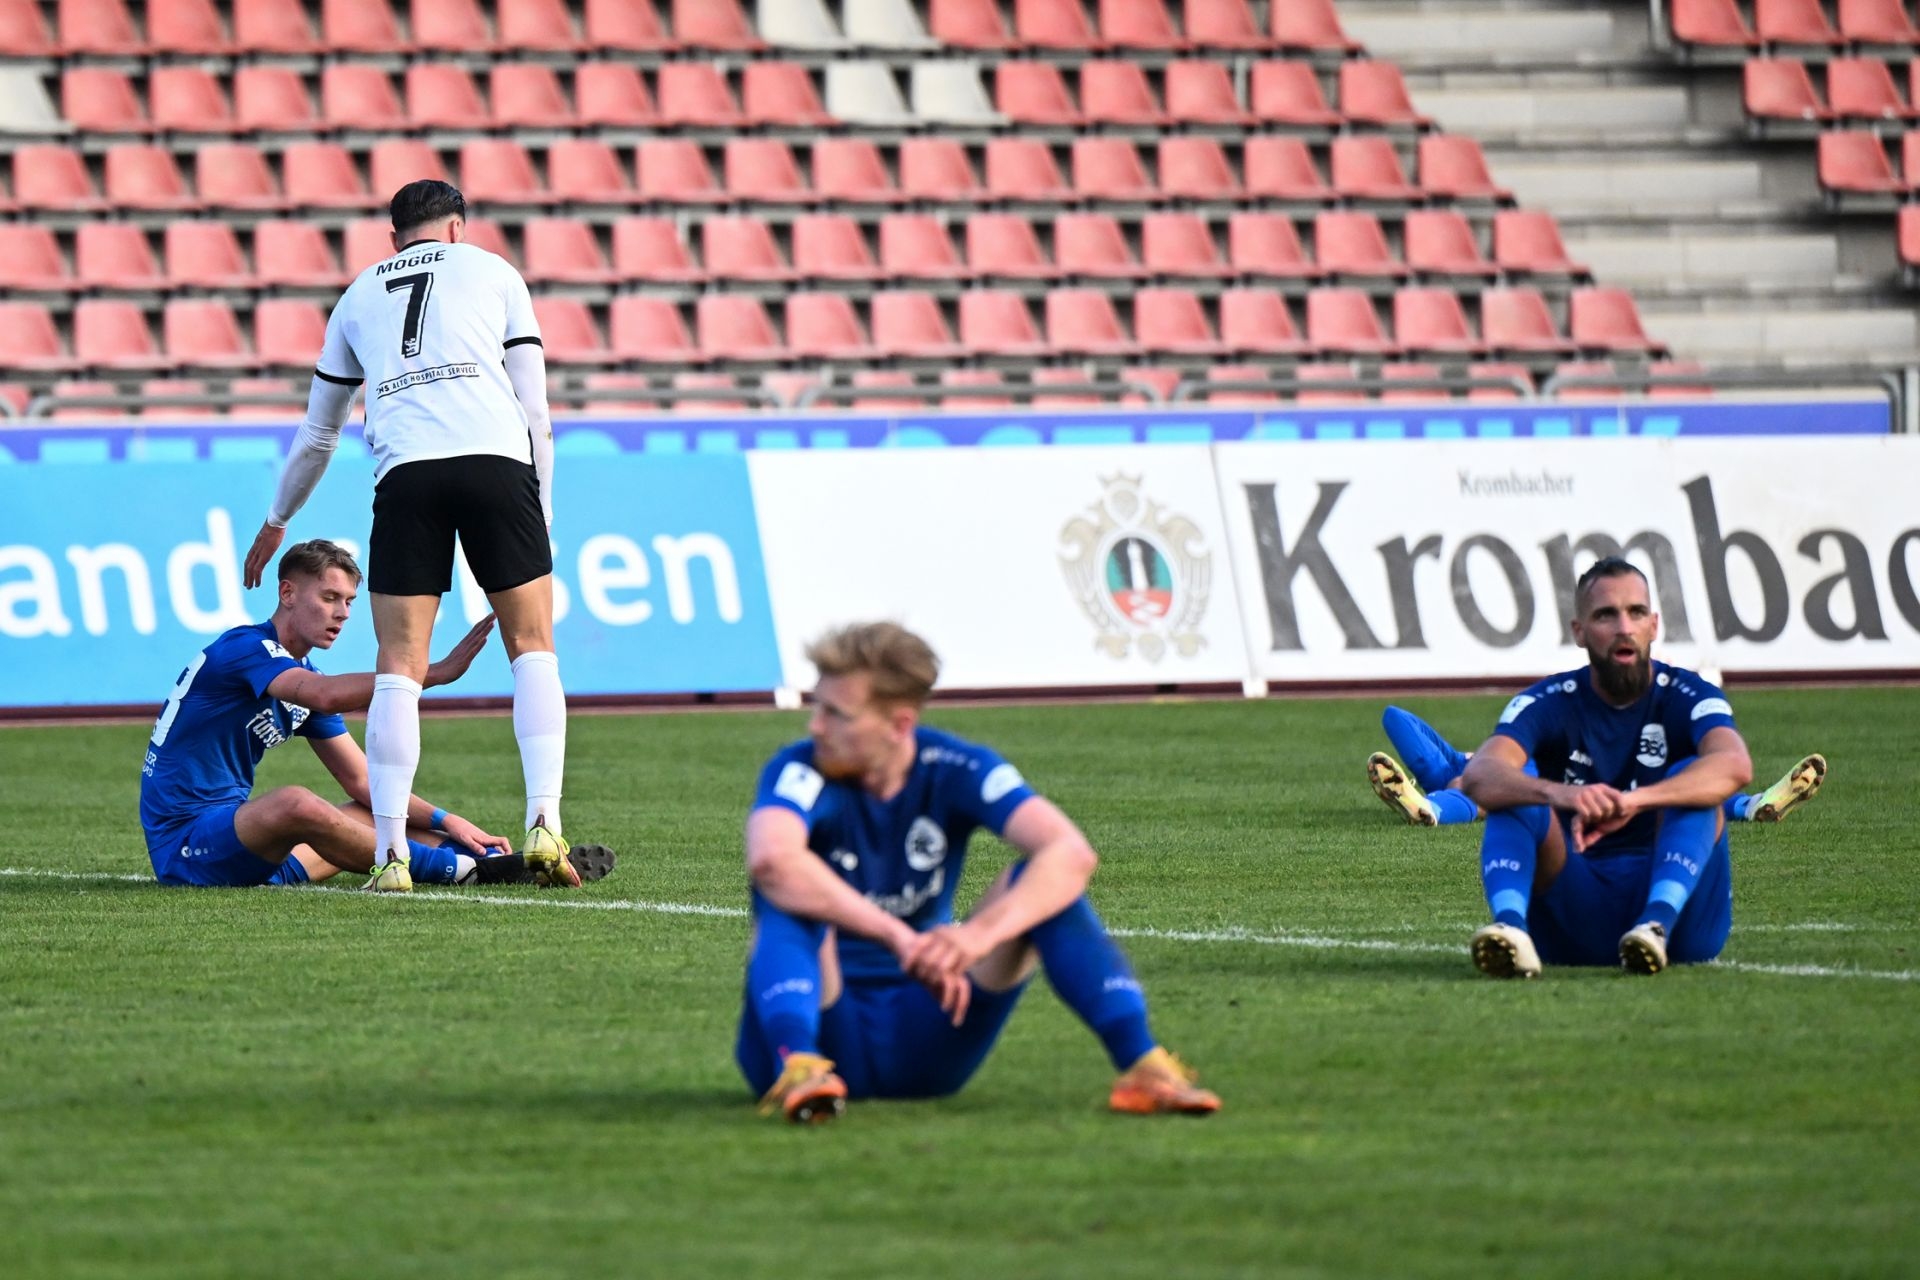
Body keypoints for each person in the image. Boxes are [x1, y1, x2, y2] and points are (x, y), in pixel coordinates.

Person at [736, 622, 1220, 1124]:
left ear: (899, 725)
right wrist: (899, 938)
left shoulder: (959, 766)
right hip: (818, 1019)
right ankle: (799, 1065)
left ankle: (1143, 1066)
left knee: (1044, 885)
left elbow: (1070, 852)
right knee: (788, 888)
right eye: (817, 706)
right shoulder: (800, 770)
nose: (815, 726)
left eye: (837, 713)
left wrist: (977, 936)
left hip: (929, 1033)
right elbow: (773, 859)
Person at [241, 177, 577, 885]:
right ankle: (544, 824)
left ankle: (390, 854)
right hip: (495, 464)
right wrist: (539, 515)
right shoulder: (494, 271)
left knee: (399, 665)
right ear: (458, 227)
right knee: (532, 648)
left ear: (394, 239)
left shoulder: (358, 294)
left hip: (407, 475)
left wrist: (277, 521)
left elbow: (318, 434)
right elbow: (536, 411)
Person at [142, 539, 612, 892]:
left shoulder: (302, 673)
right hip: (187, 846)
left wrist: (451, 821)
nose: (342, 613)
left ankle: (490, 859)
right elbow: (324, 696)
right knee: (295, 804)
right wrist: (423, 675)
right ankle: (467, 870)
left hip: (247, 848)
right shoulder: (244, 649)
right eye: (329, 597)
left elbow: (364, 782)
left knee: (388, 813)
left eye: (348, 601)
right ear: (286, 592)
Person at [1453, 557, 1764, 978]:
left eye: (1636, 612)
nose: (1624, 627)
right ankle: (1510, 929)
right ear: (1579, 632)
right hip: (1575, 917)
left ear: (1653, 625)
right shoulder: (1548, 701)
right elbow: (1479, 775)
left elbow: (1734, 765)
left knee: (1694, 777)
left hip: (1684, 929)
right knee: (1517, 784)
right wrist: (1562, 794)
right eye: (1605, 615)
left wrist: (1636, 801)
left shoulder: (1690, 694)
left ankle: (1655, 924)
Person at [1365, 711, 1824, 829]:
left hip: (1533, 770)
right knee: (1667, 783)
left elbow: (1396, 718)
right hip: (1551, 774)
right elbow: (1396, 719)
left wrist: (1466, 758)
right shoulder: (1453, 767)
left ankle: (1427, 807)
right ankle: (1752, 804)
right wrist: (1466, 765)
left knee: (1472, 788)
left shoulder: (1450, 763)